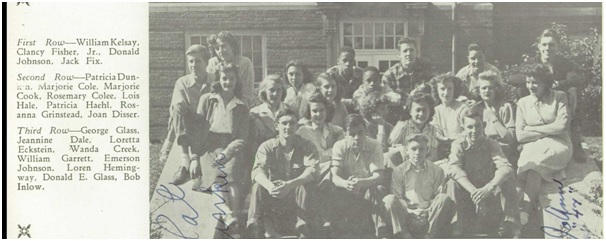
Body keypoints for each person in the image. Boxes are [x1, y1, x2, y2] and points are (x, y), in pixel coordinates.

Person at [508, 29, 586, 163]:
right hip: (536, 99)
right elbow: (512, 78)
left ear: (557, 46)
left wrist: (559, 83)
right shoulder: (532, 62)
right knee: (521, 90)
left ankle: (575, 140)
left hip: (557, 100)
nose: (547, 48)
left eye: (551, 45)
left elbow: (578, 78)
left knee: (573, 91)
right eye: (544, 45)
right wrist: (536, 80)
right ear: (539, 46)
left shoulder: (564, 62)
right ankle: (521, 136)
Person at [192, 63, 250, 236]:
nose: (228, 82)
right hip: (209, 146)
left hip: (231, 146)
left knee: (231, 177)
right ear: (218, 79)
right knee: (217, 177)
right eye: (224, 78)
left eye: (231, 78)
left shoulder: (241, 106)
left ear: (236, 81)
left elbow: (242, 137)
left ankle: (233, 223)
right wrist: (194, 157)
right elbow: (196, 131)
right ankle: (228, 215)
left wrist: (228, 152)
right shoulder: (207, 100)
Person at [446, 110, 520, 238]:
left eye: (478, 126)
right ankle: (456, 229)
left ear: (484, 126)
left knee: (507, 180)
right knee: (452, 183)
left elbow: (506, 168)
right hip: (468, 195)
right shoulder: (458, 144)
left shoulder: (492, 144)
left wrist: (489, 188)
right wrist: (475, 192)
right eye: (470, 127)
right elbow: (453, 169)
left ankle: (511, 227)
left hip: (489, 194)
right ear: (463, 128)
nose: (474, 131)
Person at [247, 108, 319, 238]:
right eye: (284, 123)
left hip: (296, 197)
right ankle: (257, 229)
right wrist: (269, 186)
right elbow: (258, 170)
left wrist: (290, 184)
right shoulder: (267, 146)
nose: (288, 127)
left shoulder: (306, 146)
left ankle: (303, 230)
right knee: (257, 186)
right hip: (274, 194)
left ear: (297, 126)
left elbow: (313, 170)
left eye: (292, 123)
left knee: (305, 184)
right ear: (276, 126)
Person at [515, 63, 572, 227]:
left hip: (559, 144)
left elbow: (562, 127)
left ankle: (524, 210)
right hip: (532, 145)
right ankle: (512, 213)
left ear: (545, 82)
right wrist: (550, 129)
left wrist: (532, 129)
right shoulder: (523, 103)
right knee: (526, 168)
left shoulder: (559, 96)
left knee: (535, 166)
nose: (530, 87)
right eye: (528, 82)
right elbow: (520, 135)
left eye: (535, 83)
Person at [322, 114, 388, 238]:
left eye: (360, 133)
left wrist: (361, 182)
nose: (357, 138)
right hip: (346, 189)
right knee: (330, 187)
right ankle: (331, 226)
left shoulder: (374, 145)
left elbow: (379, 176)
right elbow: (335, 176)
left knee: (378, 189)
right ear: (345, 135)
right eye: (352, 134)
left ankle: (381, 229)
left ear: (366, 132)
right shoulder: (339, 146)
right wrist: (346, 184)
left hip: (367, 189)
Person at [383, 134, 455, 238]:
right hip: (406, 216)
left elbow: (437, 197)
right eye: (413, 149)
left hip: (429, 216)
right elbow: (398, 197)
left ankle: (429, 236)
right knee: (389, 199)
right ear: (407, 150)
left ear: (427, 150)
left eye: (421, 149)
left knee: (444, 198)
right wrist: (410, 211)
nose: (417, 153)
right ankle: (405, 236)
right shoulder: (398, 171)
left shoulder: (437, 171)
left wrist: (425, 211)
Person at [163, 45, 212, 185]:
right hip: (188, 126)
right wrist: (180, 104)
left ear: (206, 62)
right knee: (178, 108)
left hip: (208, 125)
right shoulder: (182, 82)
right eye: (190, 61)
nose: (193, 65)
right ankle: (184, 163)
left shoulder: (215, 81)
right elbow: (175, 110)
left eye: (198, 61)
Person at [470, 71, 518, 167]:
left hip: (502, 150)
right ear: (478, 90)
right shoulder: (476, 109)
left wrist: (494, 118)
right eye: (483, 88)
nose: (487, 91)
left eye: (490, 88)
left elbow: (510, 138)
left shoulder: (505, 107)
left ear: (496, 89)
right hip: (481, 149)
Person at [382, 37, 434, 123]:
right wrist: (410, 97)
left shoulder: (426, 70)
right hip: (399, 120)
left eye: (411, 50)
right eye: (405, 51)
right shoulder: (390, 75)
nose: (408, 54)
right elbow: (386, 102)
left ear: (416, 52)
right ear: (399, 54)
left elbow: (434, 93)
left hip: (422, 118)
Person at [388, 91, 445, 166]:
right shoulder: (403, 126)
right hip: (402, 166)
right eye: (418, 110)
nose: (421, 114)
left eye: (424, 110)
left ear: (430, 112)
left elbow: (433, 155)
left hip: (424, 166)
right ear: (410, 111)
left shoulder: (432, 129)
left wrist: (421, 165)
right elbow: (389, 148)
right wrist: (400, 149)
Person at [296, 90, 344, 166]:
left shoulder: (328, 127)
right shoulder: (304, 130)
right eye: (314, 111)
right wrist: (337, 150)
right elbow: (320, 157)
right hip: (310, 170)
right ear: (309, 112)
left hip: (326, 167)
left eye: (321, 110)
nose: (318, 114)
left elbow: (342, 134)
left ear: (326, 110)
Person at [207, 31, 255, 106]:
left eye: (224, 46)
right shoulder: (213, 63)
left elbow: (247, 94)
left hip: (239, 105)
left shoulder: (244, 63)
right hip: (217, 105)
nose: (220, 51)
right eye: (217, 48)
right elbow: (210, 89)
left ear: (232, 46)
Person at [250, 74, 292, 148]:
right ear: (264, 92)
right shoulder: (255, 113)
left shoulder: (290, 111)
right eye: (271, 90)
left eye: (278, 90)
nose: (275, 94)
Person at [327, 46, 364, 113]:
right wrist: (352, 102)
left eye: (351, 61)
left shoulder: (360, 74)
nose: (348, 64)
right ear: (338, 61)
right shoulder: (331, 74)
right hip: (336, 110)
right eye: (344, 60)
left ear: (354, 61)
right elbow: (328, 96)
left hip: (356, 111)